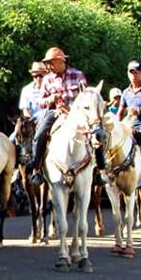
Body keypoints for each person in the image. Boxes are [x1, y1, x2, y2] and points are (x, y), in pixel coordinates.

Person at [28, 46, 88, 186]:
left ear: (61, 61)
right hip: (55, 112)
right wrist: (51, 99)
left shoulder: (78, 75)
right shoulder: (47, 79)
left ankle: (100, 169)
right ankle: (37, 168)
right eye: (47, 63)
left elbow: (85, 98)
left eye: (51, 62)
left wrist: (71, 108)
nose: (48, 66)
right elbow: (40, 102)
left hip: (76, 112)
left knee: (94, 132)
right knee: (40, 132)